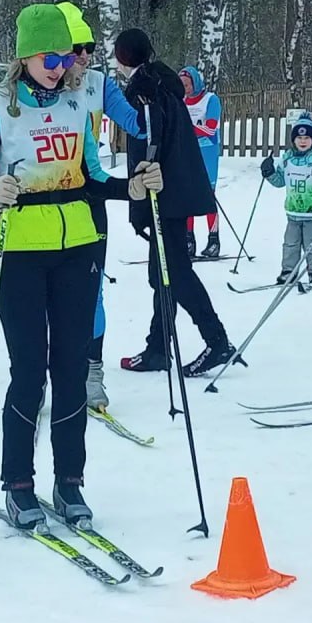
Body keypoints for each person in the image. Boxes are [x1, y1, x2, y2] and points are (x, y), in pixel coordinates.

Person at [0, 5, 158, 528]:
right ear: (25, 54)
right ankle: (18, 484)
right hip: (20, 249)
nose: (58, 65)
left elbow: (91, 175)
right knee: (29, 371)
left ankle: (70, 482)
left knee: (71, 368)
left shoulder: (77, 101)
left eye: (66, 56)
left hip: (78, 246)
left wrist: (130, 187)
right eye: (49, 56)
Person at [112, 28, 239, 378]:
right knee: (162, 273)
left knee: (174, 273)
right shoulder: (162, 82)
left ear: (124, 58)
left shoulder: (146, 90)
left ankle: (216, 341)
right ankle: (157, 347)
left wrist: (140, 203)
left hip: (164, 193)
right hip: (176, 190)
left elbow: (147, 146)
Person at [56, 2, 142, 411]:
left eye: (89, 46)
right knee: (43, 293)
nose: (85, 55)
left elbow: (134, 121)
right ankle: (44, 372)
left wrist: (151, 90)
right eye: (76, 47)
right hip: (42, 202)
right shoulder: (35, 92)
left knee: (92, 291)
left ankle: (92, 371)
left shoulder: (97, 83)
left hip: (91, 196)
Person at [260, 113, 312, 286]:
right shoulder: (287, 159)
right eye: (299, 137)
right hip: (293, 212)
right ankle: (289, 271)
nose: (303, 141)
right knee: (290, 244)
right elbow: (280, 181)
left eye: (307, 138)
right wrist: (269, 173)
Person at [180, 66, 222, 259]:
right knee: (187, 195)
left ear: (195, 82)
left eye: (187, 84)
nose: (185, 88)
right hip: (187, 152)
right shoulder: (181, 101)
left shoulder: (210, 100)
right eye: (182, 85)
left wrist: (187, 130)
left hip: (207, 152)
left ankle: (214, 240)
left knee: (207, 195)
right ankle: (188, 240)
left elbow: (211, 129)